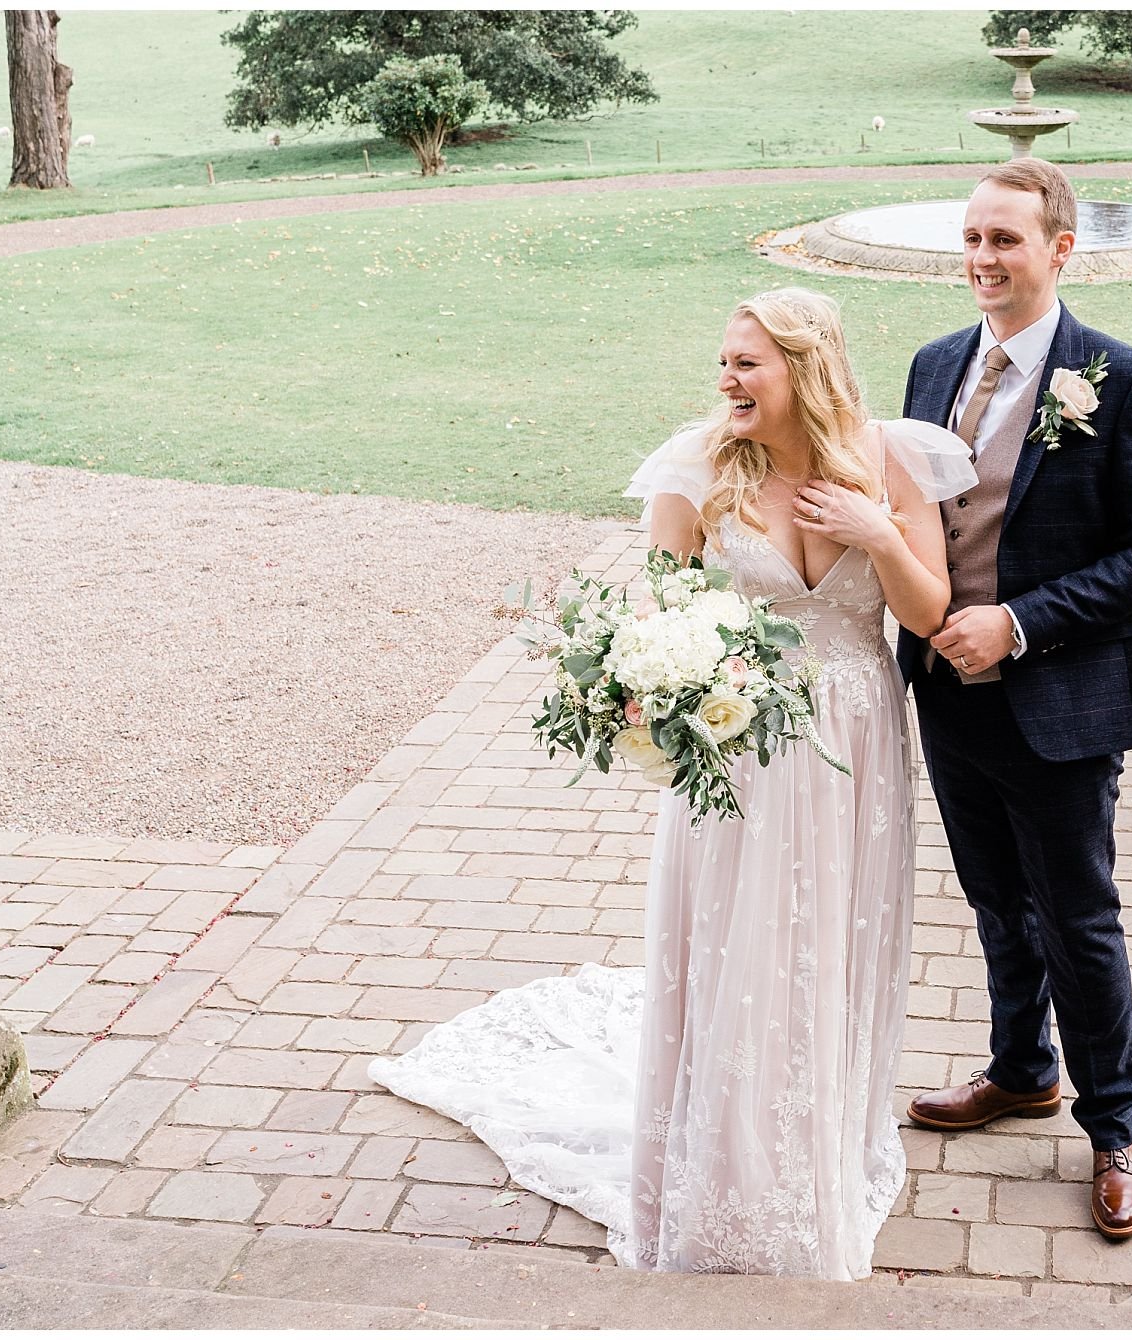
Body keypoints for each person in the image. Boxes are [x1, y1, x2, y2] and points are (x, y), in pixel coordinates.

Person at [370, 287, 977, 1280]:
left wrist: (876, 531)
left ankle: (819, 1138)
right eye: (724, 363)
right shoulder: (694, 471)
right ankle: (730, 1172)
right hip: (741, 745)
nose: (726, 379)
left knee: (833, 938)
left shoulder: (891, 459)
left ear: (805, 368)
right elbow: (656, 624)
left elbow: (923, 615)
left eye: (747, 363)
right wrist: (651, 685)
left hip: (858, 741)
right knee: (745, 948)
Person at [895, 158, 1132, 1240]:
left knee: (1078, 918)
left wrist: (1016, 622)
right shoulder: (930, 366)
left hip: (1057, 698)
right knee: (991, 902)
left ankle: (1113, 1127)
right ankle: (1019, 1069)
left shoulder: (1118, 376)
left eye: (1003, 241)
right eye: (971, 238)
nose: (980, 259)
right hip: (942, 692)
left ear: (1060, 249)